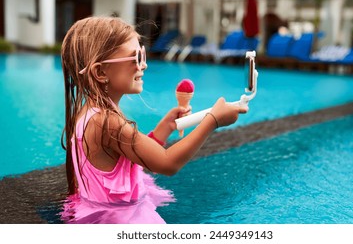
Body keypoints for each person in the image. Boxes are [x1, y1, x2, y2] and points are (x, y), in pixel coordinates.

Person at [60, 16, 248, 224]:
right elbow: (167, 163)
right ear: (100, 72)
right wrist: (213, 121)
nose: (144, 65)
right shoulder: (107, 122)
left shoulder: (91, 113)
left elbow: (134, 156)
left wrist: (164, 128)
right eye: (136, 58)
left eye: (143, 54)